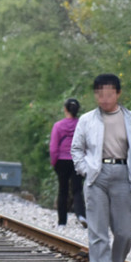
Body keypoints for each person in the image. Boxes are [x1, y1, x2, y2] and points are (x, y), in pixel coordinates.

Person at [71, 74, 131, 262]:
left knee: (124, 231)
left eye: (109, 94)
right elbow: (77, 149)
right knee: (98, 231)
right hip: (96, 176)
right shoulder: (87, 120)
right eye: (100, 94)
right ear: (95, 95)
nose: (104, 99)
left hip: (123, 173)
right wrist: (85, 169)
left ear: (118, 93)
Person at [50, 98, 86, 229]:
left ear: (65, 109)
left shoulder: (58, 126)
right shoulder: (82, 125)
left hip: (62, 160)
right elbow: (86, 144)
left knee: (63, 191)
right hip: (77, 160)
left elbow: (53, 147)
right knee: (77, 189)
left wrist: (54, 163)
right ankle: (81, 215)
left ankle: (62, 222)